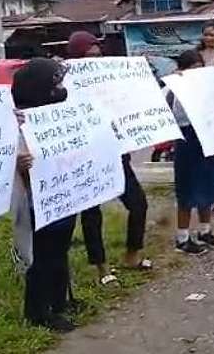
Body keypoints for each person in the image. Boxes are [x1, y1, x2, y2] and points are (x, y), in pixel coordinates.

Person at [66, 31, 152, 284]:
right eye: (88, 55)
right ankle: (101, 268)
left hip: (116, 153)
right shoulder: (66, 84)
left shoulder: (108, 79)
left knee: (138, 204)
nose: (95, 59)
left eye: (97, 54)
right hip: (86, 159)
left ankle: (132, 255)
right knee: (92, 215)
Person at [11, 58, 77, 332]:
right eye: (55, 84)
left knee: (60, 251)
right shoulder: (15, 122)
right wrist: (18, 164)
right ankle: (39, 311)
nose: (61, 88)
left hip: (64, 194)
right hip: (37, 202)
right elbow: (5, 161)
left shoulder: (60, 113)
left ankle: (60, 302)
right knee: (43, 256)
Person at [168, 49, 214, 255]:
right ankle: (182, 237)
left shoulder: (207, 86)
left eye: (200, 69)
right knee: (187, 190)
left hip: (207, 139)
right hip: (187, 142)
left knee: (208, 185)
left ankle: (205, 230)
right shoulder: (173, 89)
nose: (197, 74)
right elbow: (176, 117)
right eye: (192, 69)